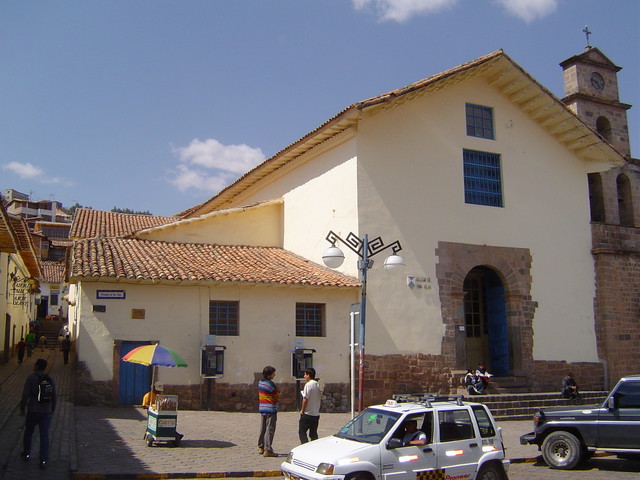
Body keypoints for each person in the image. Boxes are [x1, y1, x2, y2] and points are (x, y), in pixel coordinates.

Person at [20, 358, 56, 469]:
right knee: (44, 436)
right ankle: (43, 460)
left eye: (34, 364)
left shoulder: (31, 378)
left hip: (33, 410)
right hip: (46, 411)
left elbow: (25, 395)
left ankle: (26, 454)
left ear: (36, 366)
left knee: (29, 432)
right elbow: (54, 396)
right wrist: (52, 409)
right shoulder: (49, 379)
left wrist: (22, 408)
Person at [258, 365, 279, 457]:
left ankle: (261, 446)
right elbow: (276, 396)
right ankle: (268, 449)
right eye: (273, 373)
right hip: (270, 408)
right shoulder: (271, 384)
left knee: (263, 428)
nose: (274, 374)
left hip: (262, 408)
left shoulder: (260, 382)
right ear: (269, 375)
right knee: (270, 429)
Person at [298, 367, 321, 444]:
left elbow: (305, 399)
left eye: (305, 374)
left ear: (308, 375)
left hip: (308, 413)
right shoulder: (318, 384)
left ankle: (305, 446)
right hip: (316, 413)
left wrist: (302, 410)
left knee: (302, 431)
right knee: (313, 433)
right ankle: (314, 447)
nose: (304, 376)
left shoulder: (308, 385)